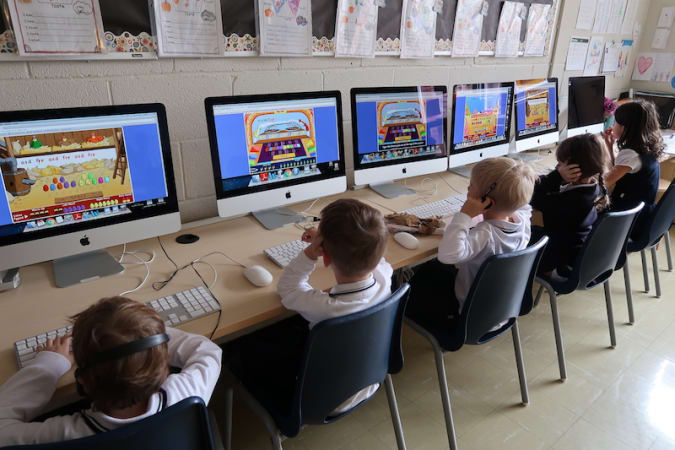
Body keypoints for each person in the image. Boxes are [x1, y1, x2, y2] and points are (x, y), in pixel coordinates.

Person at [230, 198, 392, 414]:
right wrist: (328, 242)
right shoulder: (385, 278)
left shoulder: (327, 307)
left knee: (243, 344)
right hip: (369, 381)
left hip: (321, 401)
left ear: (324, 257)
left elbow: (288, 288)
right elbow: (373, 253)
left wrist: (309, 253)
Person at [0, 296, 222, 445]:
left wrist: (50, 364)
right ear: (164, 364)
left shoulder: (65, 435)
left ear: (83, 382)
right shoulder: (185, 393)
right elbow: (208, 352)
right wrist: (146, 333)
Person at [405, 157, 536, 336]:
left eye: (471, 185)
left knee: (424, 274)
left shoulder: (486, 234)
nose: (468, 188)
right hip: (502, 310)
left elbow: (448, 256)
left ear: (487, 201)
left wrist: (464, 215)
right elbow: (523, 205)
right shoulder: (523, 223)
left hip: (469, 316)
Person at [530, 134, 610, 277]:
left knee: (520, 236)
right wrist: (558, 177)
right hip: (571, 250)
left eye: (560, 164)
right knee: (533, 230)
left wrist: (557, 176)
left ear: (574, 169)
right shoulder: (592, 188)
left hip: (559, 260)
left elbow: (533, 197)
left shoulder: (571, 201)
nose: (557, 167)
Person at [602, 99, 664, 237]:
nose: (613, 125)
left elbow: (604, 183)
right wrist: (609, 147)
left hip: (627, 221)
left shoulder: (630, 154)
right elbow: (621, 170)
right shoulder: (646, 147)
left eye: (615, 122)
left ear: (625, 128)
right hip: (643, 215)